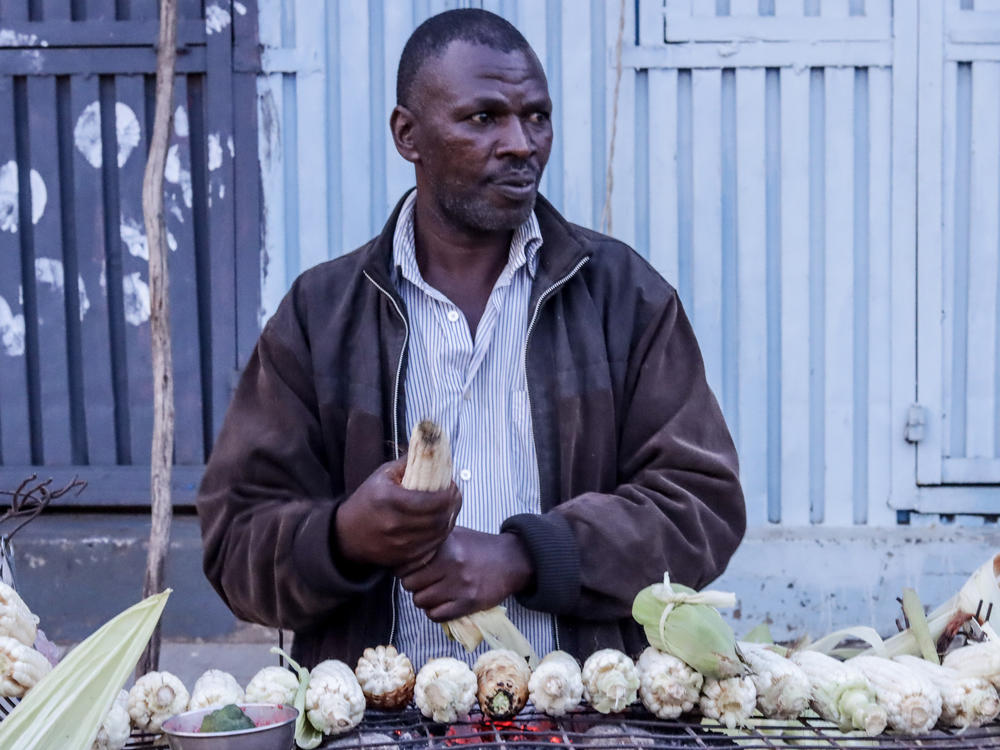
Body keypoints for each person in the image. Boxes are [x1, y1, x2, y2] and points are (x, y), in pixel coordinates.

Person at [197, 9, 745, 670]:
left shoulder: (623, 297)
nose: (520, 143)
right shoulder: (322, 315)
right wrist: (344, 537)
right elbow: (235, 544)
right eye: (483, 118)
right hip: (377, 718)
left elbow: (701, 506)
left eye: (536, 116)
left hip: (583, 711)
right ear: (409, 135)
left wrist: (528, 556)